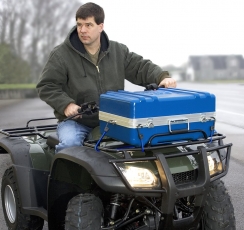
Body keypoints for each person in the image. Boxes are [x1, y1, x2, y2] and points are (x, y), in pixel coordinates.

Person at [36, 2, 176, 153]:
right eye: (79, 24)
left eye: (88, 25)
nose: (82, 30)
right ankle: (60, 176)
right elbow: (46, 86)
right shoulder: (61, 55)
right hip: (77, 122)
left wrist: (162, 77)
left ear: (100, 26)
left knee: (147, 142)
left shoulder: (117, 51)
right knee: (70, 145)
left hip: (114, 120)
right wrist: (66, 105)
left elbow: (141, 67)